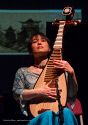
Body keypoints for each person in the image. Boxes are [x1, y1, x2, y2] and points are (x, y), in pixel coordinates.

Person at [12, 32, 78, 125]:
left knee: (67, 112)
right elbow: (16, 93)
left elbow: (71, 94)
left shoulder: (61, 70)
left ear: (50, 48)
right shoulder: (23, 71)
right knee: (47, 115)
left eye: (43, 41)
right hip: (36, 116)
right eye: (35, 42)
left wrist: (72, 72)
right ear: (30, 49)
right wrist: (40, 92)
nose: (39, 43)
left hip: (59, 114)